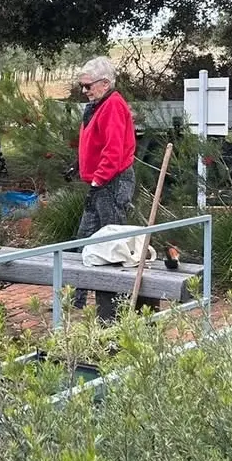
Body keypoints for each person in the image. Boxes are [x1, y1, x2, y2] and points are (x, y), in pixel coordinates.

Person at [74, 56, 138, 319]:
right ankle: (75, 301)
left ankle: (117, 306)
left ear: (104, 83)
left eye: (88, 85)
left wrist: (98, 178)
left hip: (113, 181)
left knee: (113, 243)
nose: (84, 90)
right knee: (84, 239)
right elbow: (96, 143)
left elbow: (113, 150)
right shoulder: (98, 105)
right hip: (101, 182)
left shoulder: (112, 105)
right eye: (82, 85)